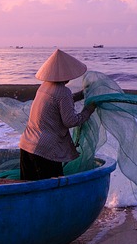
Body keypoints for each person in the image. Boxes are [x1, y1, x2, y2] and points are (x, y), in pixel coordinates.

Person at [19, 49, 96, 180]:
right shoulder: (63, 92)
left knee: (28, 187)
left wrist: (80, 95)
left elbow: (58, 102)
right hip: (45, 151)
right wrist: (88, 110)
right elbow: (70, 121)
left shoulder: (44, 87)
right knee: (52, 188)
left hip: (26, 145)